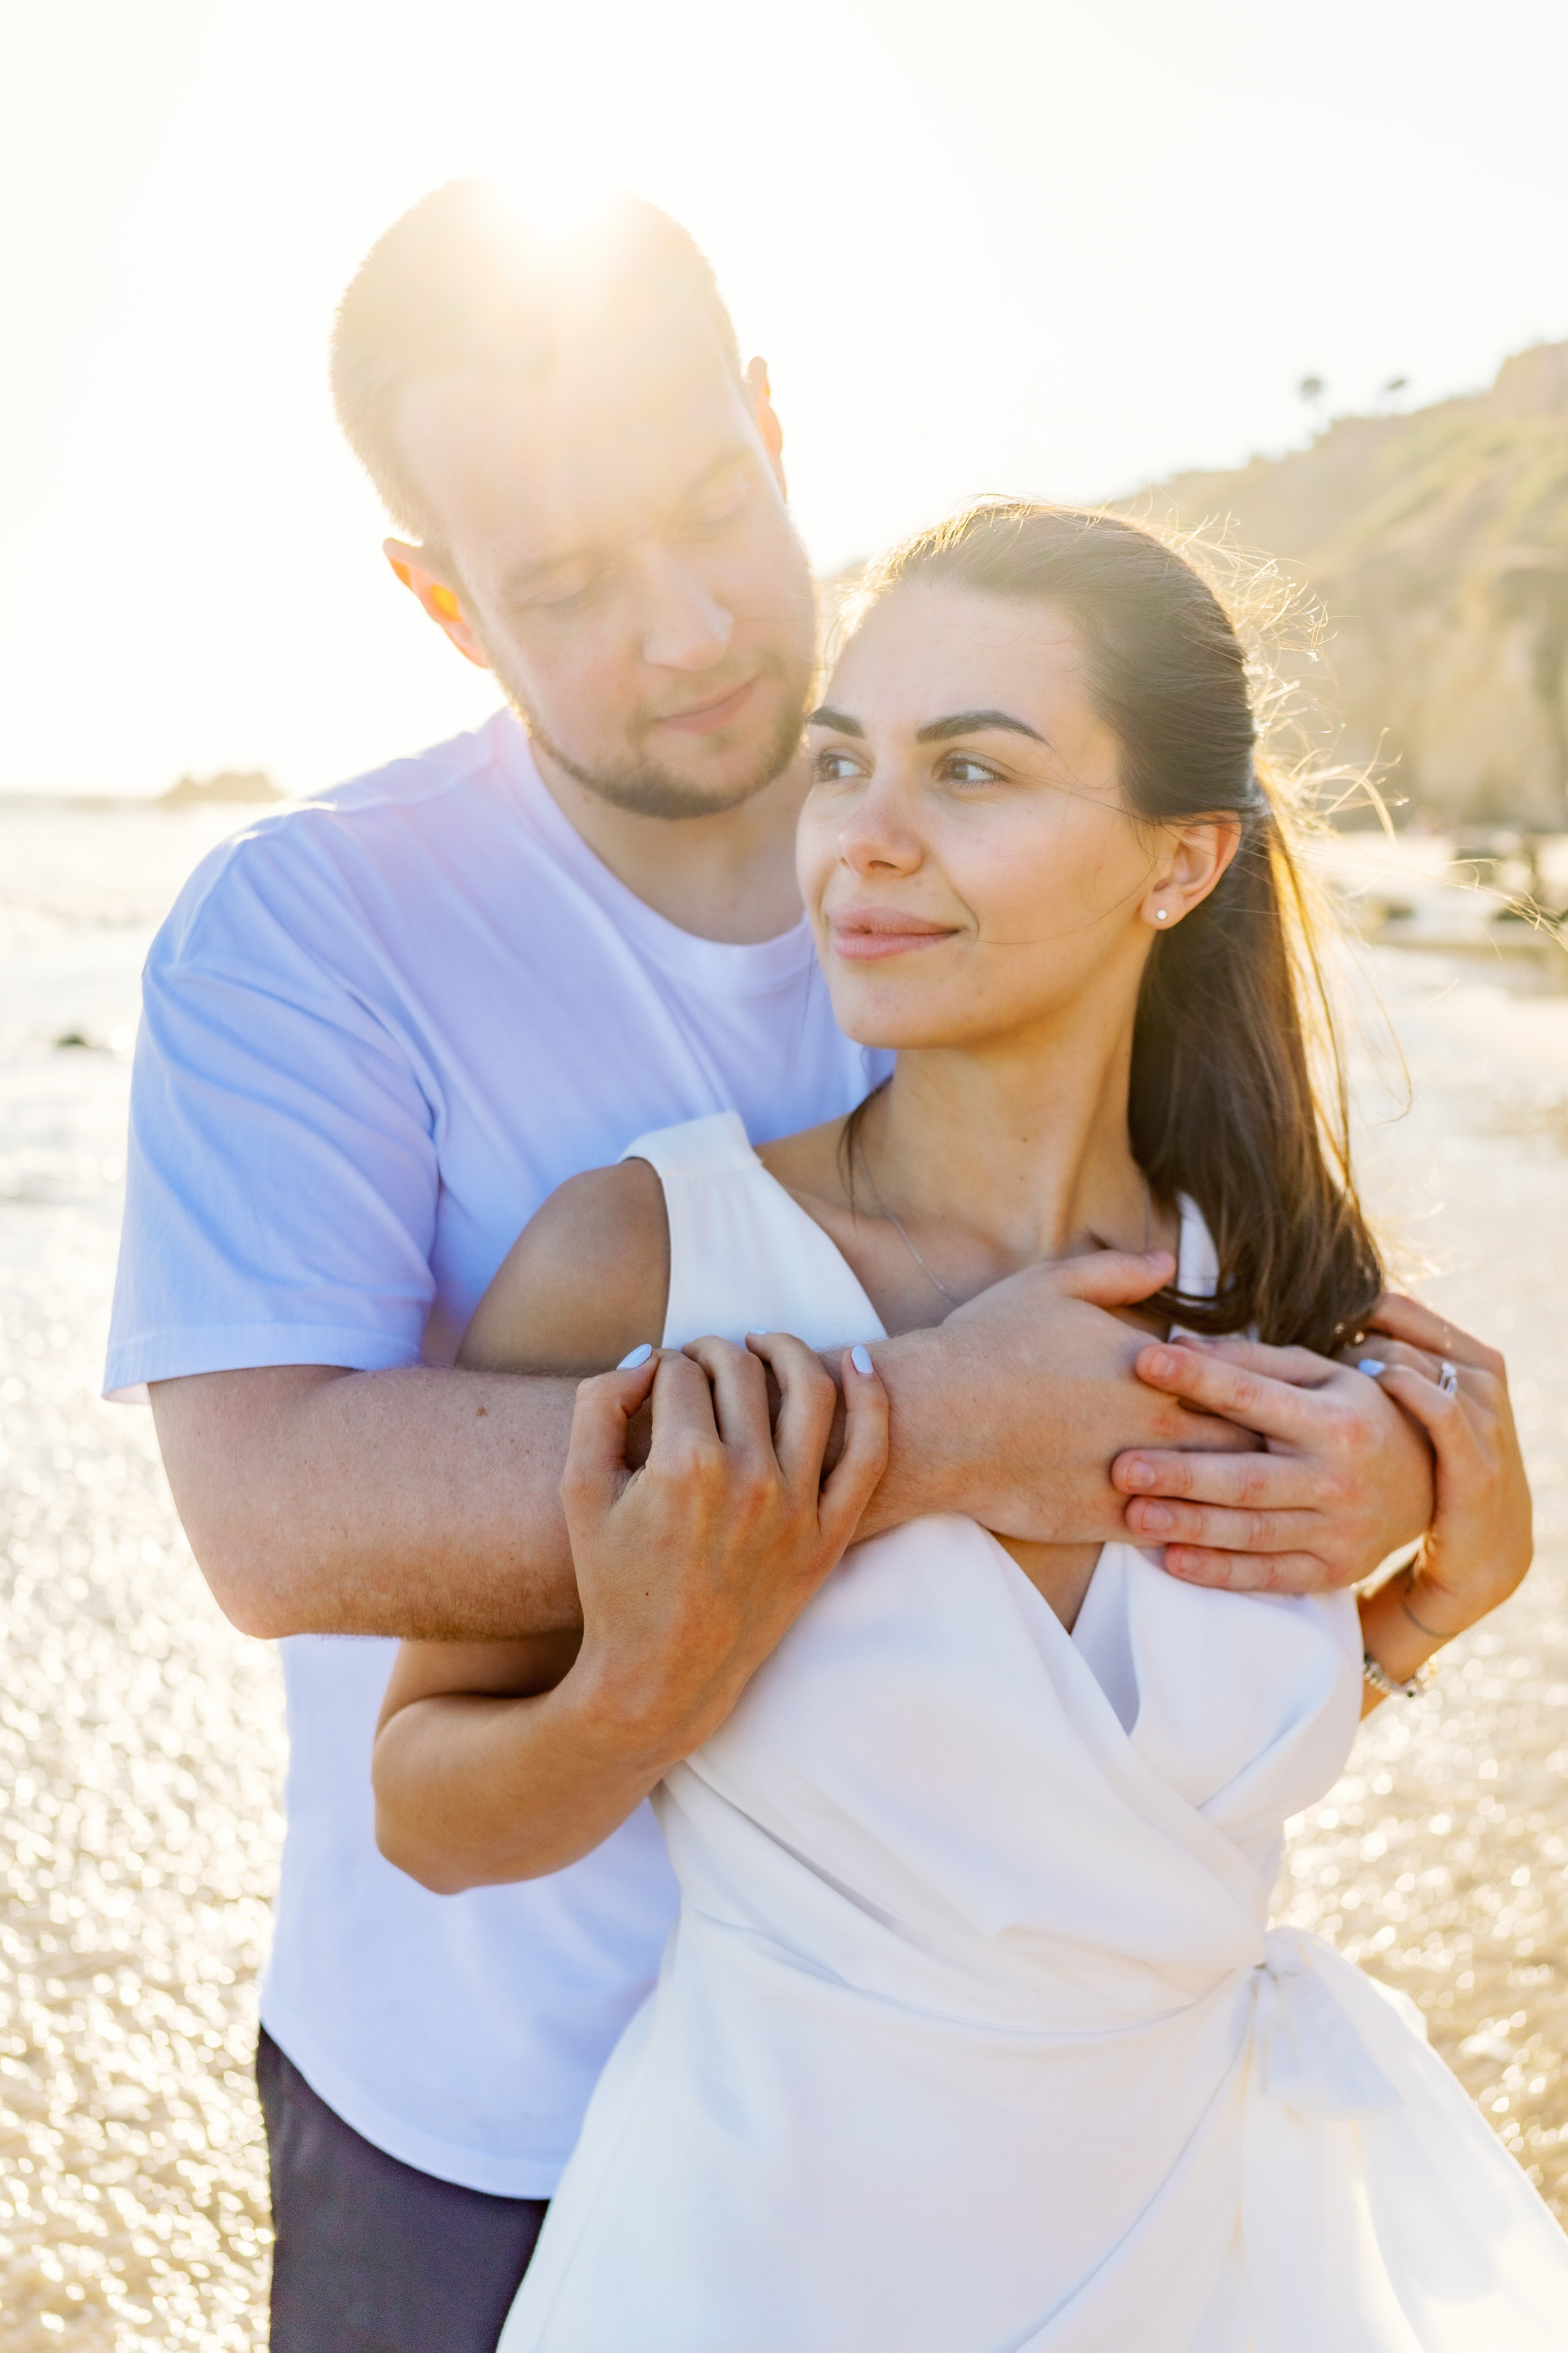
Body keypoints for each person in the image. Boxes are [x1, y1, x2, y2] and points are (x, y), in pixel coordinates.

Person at [105, 184, 1474, 2351]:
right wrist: (940, 1421)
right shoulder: (309, 930)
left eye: (709, 503)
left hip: (1073, 2178)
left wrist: (1401, 1541)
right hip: (493, 2116)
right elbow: (275, 1519)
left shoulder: (1004, 879)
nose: (691, 629)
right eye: (564, 582)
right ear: (441, 601)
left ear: (769, 415)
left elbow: (1197, 1561)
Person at [374, 504, 1558, 2350]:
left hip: (1213, 2269)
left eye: (972, 769)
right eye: (842, 762)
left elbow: (1134, 1847)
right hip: (752, 2282)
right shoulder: (655, 1257)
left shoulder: (1273, 1291)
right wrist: (645, 1683)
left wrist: (1421, 1619)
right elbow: (423, 1811)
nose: (869, 838)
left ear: (1182, 861)